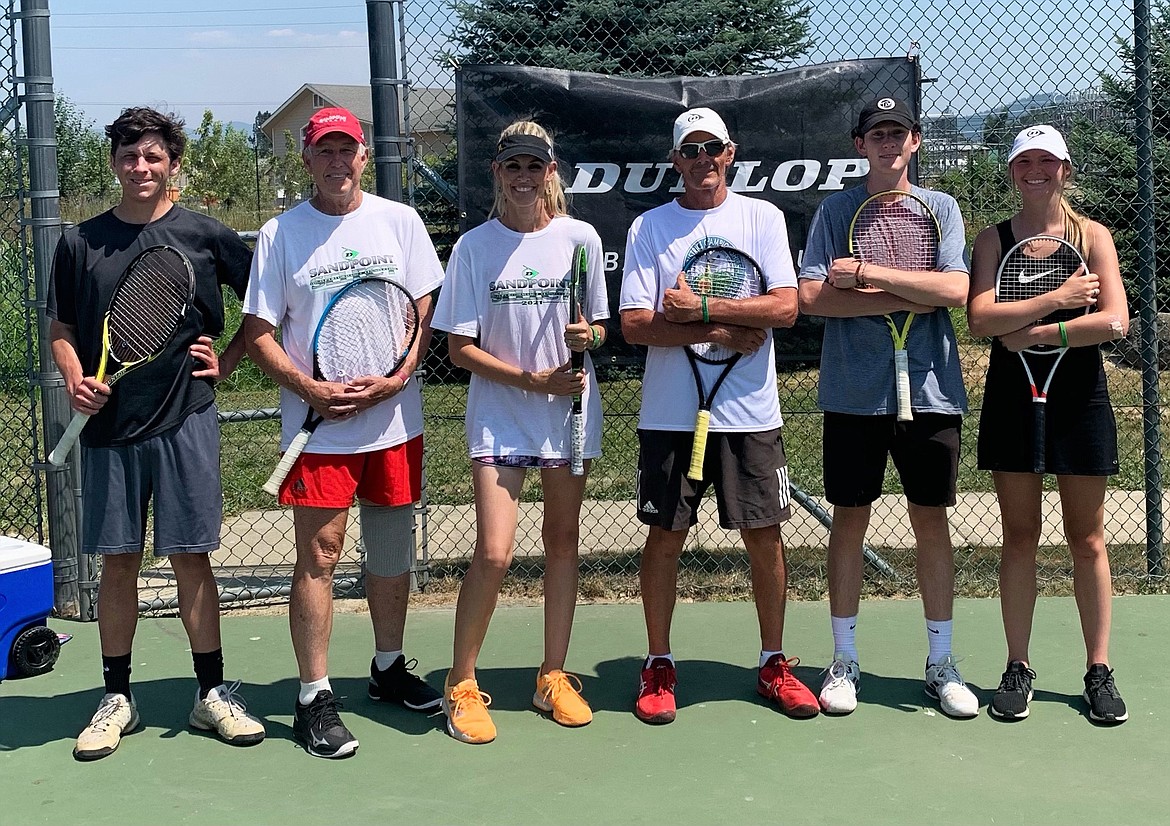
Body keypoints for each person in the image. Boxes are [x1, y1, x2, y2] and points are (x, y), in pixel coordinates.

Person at [48, 107, 266, 760]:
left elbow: (263, 305)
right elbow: (60, 329)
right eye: (127, 156)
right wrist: (74, 379)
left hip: (186, 418)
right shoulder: (80, 242)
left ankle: (211, 694)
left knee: (190, 557)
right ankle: (117, 697)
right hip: (109, 429)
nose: (139, 167)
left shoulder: (206, 235)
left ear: (173, 164)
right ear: (114, 162)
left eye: (152, 157)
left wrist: (226, 362)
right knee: (118, 562)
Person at [242, 107, 445, 759]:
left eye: (347, 150)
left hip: (393, 422)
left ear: (364, 157)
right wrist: (311, 391)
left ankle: (387, 668)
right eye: (324, 151)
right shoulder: (281, 234)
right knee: (320, 556)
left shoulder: (400, 222)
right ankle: (314, 696)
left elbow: (421, 305)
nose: (337, 162)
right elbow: (257, 335)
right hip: (319, 430)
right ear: (305, 159)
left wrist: (402, 375)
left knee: (390, 552)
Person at [619, 107, 819, 725]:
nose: (702, 160)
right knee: (665, 537)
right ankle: (657, 663)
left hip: (750, 415)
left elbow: (785, 309)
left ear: (729, 153)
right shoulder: (651, 227)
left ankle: (774, 662)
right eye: (690, 151)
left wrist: (701, 309)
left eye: (712, 149)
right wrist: (727, 327)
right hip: (670, 416)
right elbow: (634, 324)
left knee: (765, 537)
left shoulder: (763, 217)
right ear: (675, 161)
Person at [797, 96, 978, 718]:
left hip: (931, 392)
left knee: (932, 522)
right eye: (877, 134)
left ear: (916, 142)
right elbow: (813, 297)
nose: (889, 143)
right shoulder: (836, 209)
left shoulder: (943, 209)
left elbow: (954, 289)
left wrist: (871, 274)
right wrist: (905, 294)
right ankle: (843, 660)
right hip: (854, 394)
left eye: (898, 133)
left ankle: (941, 664)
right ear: (860, 145)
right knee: (849, 522)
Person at [431, 121, 609, 744]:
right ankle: (461, 683)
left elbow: (599, 325)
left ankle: (552, 676)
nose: (526, 178)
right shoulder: (475, 248)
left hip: (569, 414)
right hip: (501, 413)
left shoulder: (580, 239)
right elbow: (458, 349)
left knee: (563, 544)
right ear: (497, 173)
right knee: (496, 551)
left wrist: (594, 339)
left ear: (551, 171)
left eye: (536, 166)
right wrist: (531, 380)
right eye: (515, 167)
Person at [967, 125, 1129, 724]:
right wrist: (1058, 298)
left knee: (1087, 539)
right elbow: (982, 318)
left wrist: (1036, 331)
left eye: (1047, 160)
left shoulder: (1094, 237)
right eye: (1024, 161)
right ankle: (1017, 666)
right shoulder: (994, 240)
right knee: (1019, 535)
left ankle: (1098, 670)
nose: (1035, 169)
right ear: (1013, 171)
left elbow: (1115, 320)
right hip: (1014, 396)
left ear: (1065, 169)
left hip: (1078, 394)